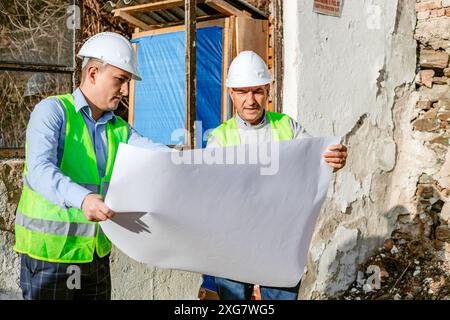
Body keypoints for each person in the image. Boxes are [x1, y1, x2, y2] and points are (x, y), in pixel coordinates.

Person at [14, 32, 167, 300]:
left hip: (94, 254)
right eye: (120, 80)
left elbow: (158, 155)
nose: (125, 90)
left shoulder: (119, 128)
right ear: (93, 73)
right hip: (51, 255)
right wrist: (83, 200)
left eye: (127, 82)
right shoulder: (53, 112)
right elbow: (39, 170)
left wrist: (198, 163)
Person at [199, 51, 348, 300]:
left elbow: (317, 158)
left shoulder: (286, 126)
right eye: (242, 92)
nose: (250, 100)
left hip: (281, 239)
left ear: (268, 90)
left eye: (257, 91)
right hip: (233, 240)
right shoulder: (219, 138)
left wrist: (335, 158)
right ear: (231, 93)